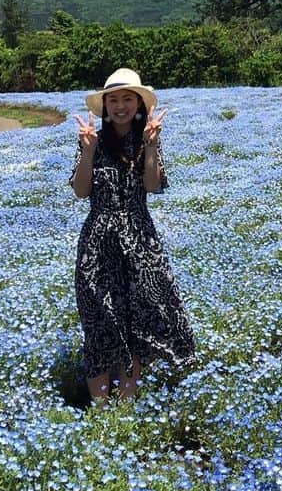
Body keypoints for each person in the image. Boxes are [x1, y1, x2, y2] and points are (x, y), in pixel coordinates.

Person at [70, 68, 196, 404]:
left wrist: (152, 146)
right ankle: (100, 407)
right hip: (98, 242)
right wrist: (87, 152)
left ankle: (126, 401)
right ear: (105, 105)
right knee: (97, 318)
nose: (120, 106)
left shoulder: (148, 137)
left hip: (139, 240)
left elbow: (153, 186)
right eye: (114, 100)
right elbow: (81, 192)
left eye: (128, 99)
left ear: (139, 103)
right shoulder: (91, 139)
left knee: (139, 318)